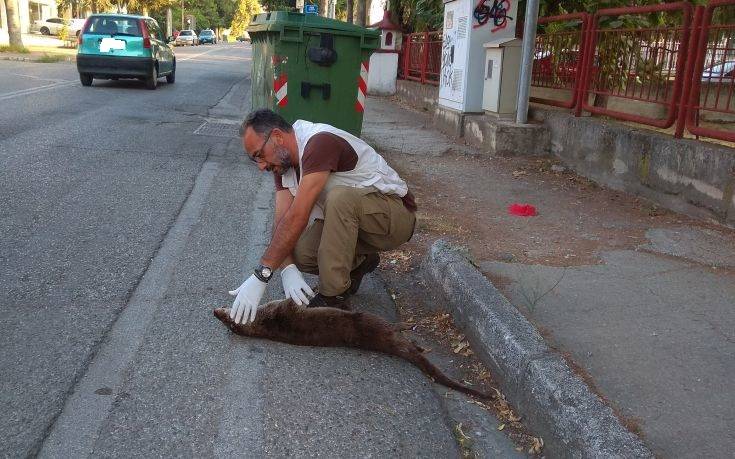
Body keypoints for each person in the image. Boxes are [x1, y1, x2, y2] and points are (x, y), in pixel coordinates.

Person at [230, 109, 417, 324]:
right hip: (359, 221)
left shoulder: (318, 143)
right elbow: (281, 222)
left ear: (277, 137)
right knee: (299, 252)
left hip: (394, 217)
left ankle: (333, 299)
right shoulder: (283, 166)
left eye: (259, 155)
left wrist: (262, 274)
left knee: (340, 198)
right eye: (256, 160)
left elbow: (298, 216)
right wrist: (287, 268)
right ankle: (360, 262)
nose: (261, 166)